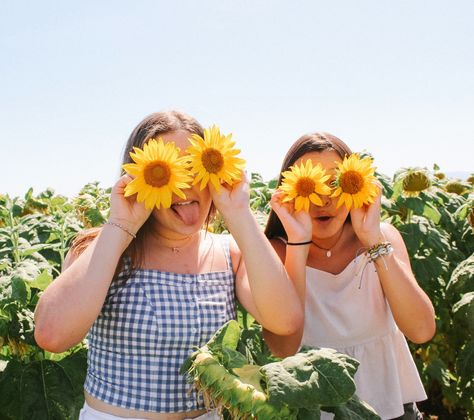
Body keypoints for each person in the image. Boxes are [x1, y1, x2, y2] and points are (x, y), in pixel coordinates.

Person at [34, 111, 303, 420]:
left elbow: (285, 322)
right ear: (140, 178)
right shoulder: (107, 249)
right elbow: (52, 336)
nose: (186, 186)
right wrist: (121, 223)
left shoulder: (229, 252)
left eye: (195, 168)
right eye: (169, 171)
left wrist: (239, 213)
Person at [263, 132, 435, 420]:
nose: (324, 198)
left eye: (334, 182)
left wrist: (372, 240)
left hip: (393, 405)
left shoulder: (383, 239)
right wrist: (298, 244)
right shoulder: (277, 253)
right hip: (316, 410)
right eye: (309, 186)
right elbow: (281, 348)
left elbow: (421, 330)